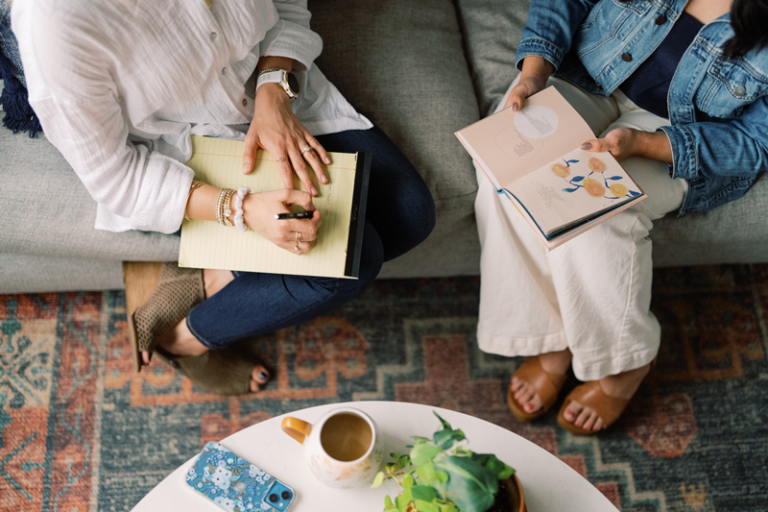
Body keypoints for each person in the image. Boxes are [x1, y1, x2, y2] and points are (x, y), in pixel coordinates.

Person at [12, 0, 435, 394]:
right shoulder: (54, 24)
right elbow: (115, 178)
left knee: (411, 214)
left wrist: (274, 92)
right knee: (355, 259)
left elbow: (287, 6)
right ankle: (185, 339)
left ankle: (212, 276)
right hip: (190, 147)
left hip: (274, 92)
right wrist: (243, 208)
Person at [477, 0, 768, 434]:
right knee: (501, 169)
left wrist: (642, 145)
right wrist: (533, 76)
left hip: (680, 134)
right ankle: (553, 338)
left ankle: (626, 361)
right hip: (585, 79)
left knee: (595, 217)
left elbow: (755, 142)